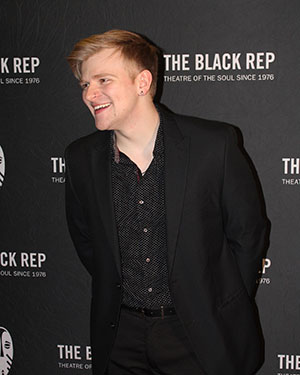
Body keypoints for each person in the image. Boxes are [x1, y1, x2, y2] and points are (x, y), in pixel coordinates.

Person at [65, 29, 269, 375]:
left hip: (199, 334)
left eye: (103, 80)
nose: (90, 94)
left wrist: (216, 303)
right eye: (85, 84)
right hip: (120, 337)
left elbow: (248, 236)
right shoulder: (81, 158)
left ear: (142, 82)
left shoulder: (212, 145)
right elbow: (87, 243)